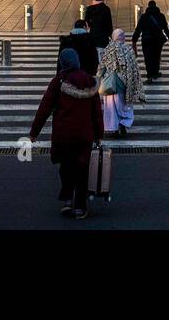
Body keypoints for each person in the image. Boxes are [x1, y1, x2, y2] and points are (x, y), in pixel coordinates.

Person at [29, 48, 104, 219]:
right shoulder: (90, 82)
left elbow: (44, 108)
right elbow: (97, 112)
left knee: (66, 166)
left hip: (64, 134)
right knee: (82, 168)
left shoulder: (58, 81)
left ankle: (68, 200)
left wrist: (34, 133)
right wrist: (100, 134)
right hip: (85, 134)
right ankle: (80, 206)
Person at [98, 28, 145, 136]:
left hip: (110, 84)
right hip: (124, 84)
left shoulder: (108, 49)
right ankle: (123, 123)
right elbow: (134, 67)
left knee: (111, 107)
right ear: (122, 37)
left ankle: (113, 128)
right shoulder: (128, 49)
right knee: (124, 105)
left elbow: (101, 67)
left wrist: (98, 77)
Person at [132, 0, 169, 81]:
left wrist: (134, 40)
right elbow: (165, 28)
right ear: (155, 6)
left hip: (146, 40)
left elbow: (138, 30)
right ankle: (155, 72)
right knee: (156, 56)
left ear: (148, 6)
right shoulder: (160, 16)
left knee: (147, 57)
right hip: (157, 40)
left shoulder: (144, 17)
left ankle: (149, 74)